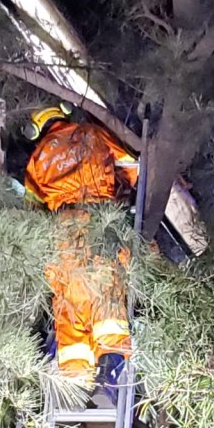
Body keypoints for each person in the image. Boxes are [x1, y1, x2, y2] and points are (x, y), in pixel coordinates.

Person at [23, 101, 139, 400]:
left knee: (68, 298)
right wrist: (122, 190)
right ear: (61, 115)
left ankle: (75, 381)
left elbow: (32, 213)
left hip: (61, 231)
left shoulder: (38, 157)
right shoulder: (91, 133)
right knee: (105, 288)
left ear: (38, 129)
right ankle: (112, 365)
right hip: (98, 216)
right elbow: (131, 164)